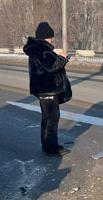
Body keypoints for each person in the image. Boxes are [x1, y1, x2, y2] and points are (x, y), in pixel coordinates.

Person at [23, 22, 72, 156]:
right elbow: (52, 65)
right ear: (46, 37)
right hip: (47, 88)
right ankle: (52, 147)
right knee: (52, 118)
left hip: (42, 89)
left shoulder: (37, 49)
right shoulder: (42, 49)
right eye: (51, 37)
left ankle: (47, 145)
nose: (52, 39)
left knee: (46, 118)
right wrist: (63, 58)